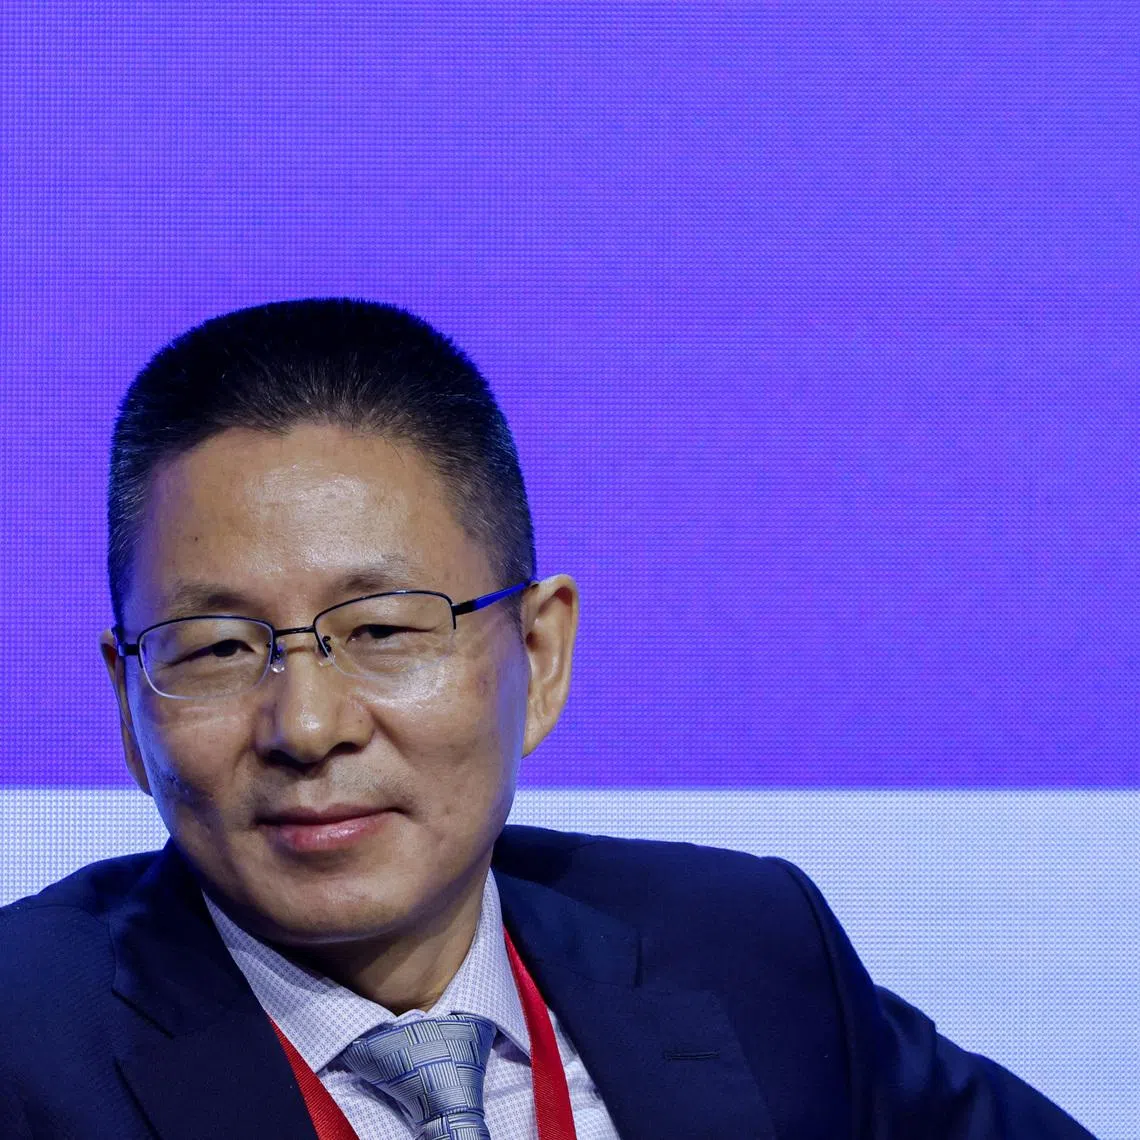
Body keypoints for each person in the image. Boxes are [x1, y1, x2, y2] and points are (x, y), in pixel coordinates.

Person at [0, 300, 1096, 1140]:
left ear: (541, 654)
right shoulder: (24, 1048)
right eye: (222, 648)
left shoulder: (745, 949)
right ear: (128, 702)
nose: (309, 725)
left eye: (383, 630)